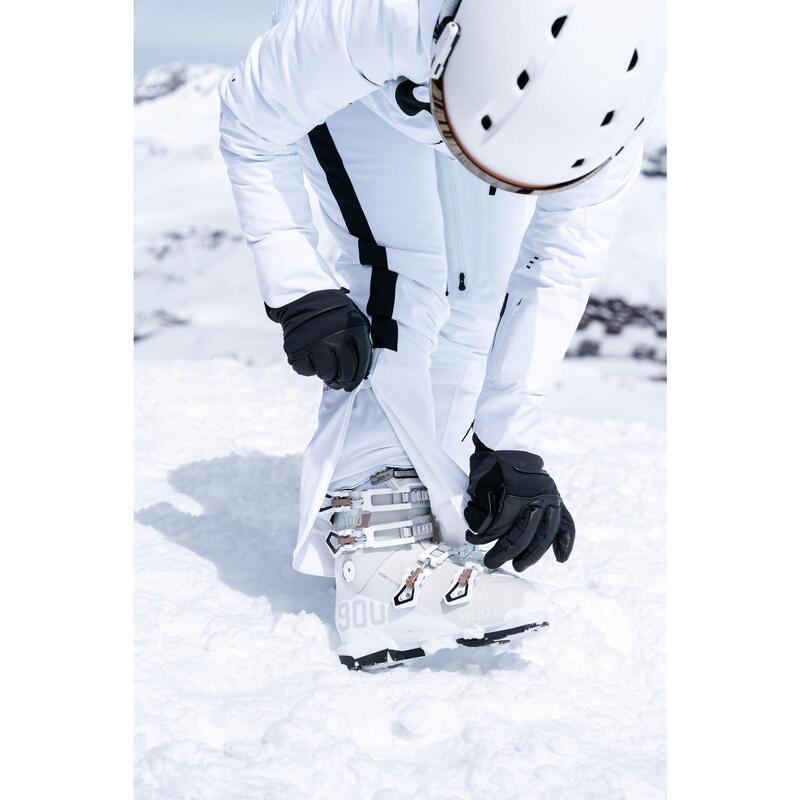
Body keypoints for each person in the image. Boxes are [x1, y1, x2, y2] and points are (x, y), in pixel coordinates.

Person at [219, 0, 665, 669]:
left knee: (478, 290)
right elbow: (253, 123)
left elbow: (554, 271)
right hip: (360, 86)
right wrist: (298, 286)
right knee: (401, 275)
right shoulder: (372, 19)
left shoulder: (611, 108)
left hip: (467, 86)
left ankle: (428, 503)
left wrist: (510, 445)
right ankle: (376, 554)